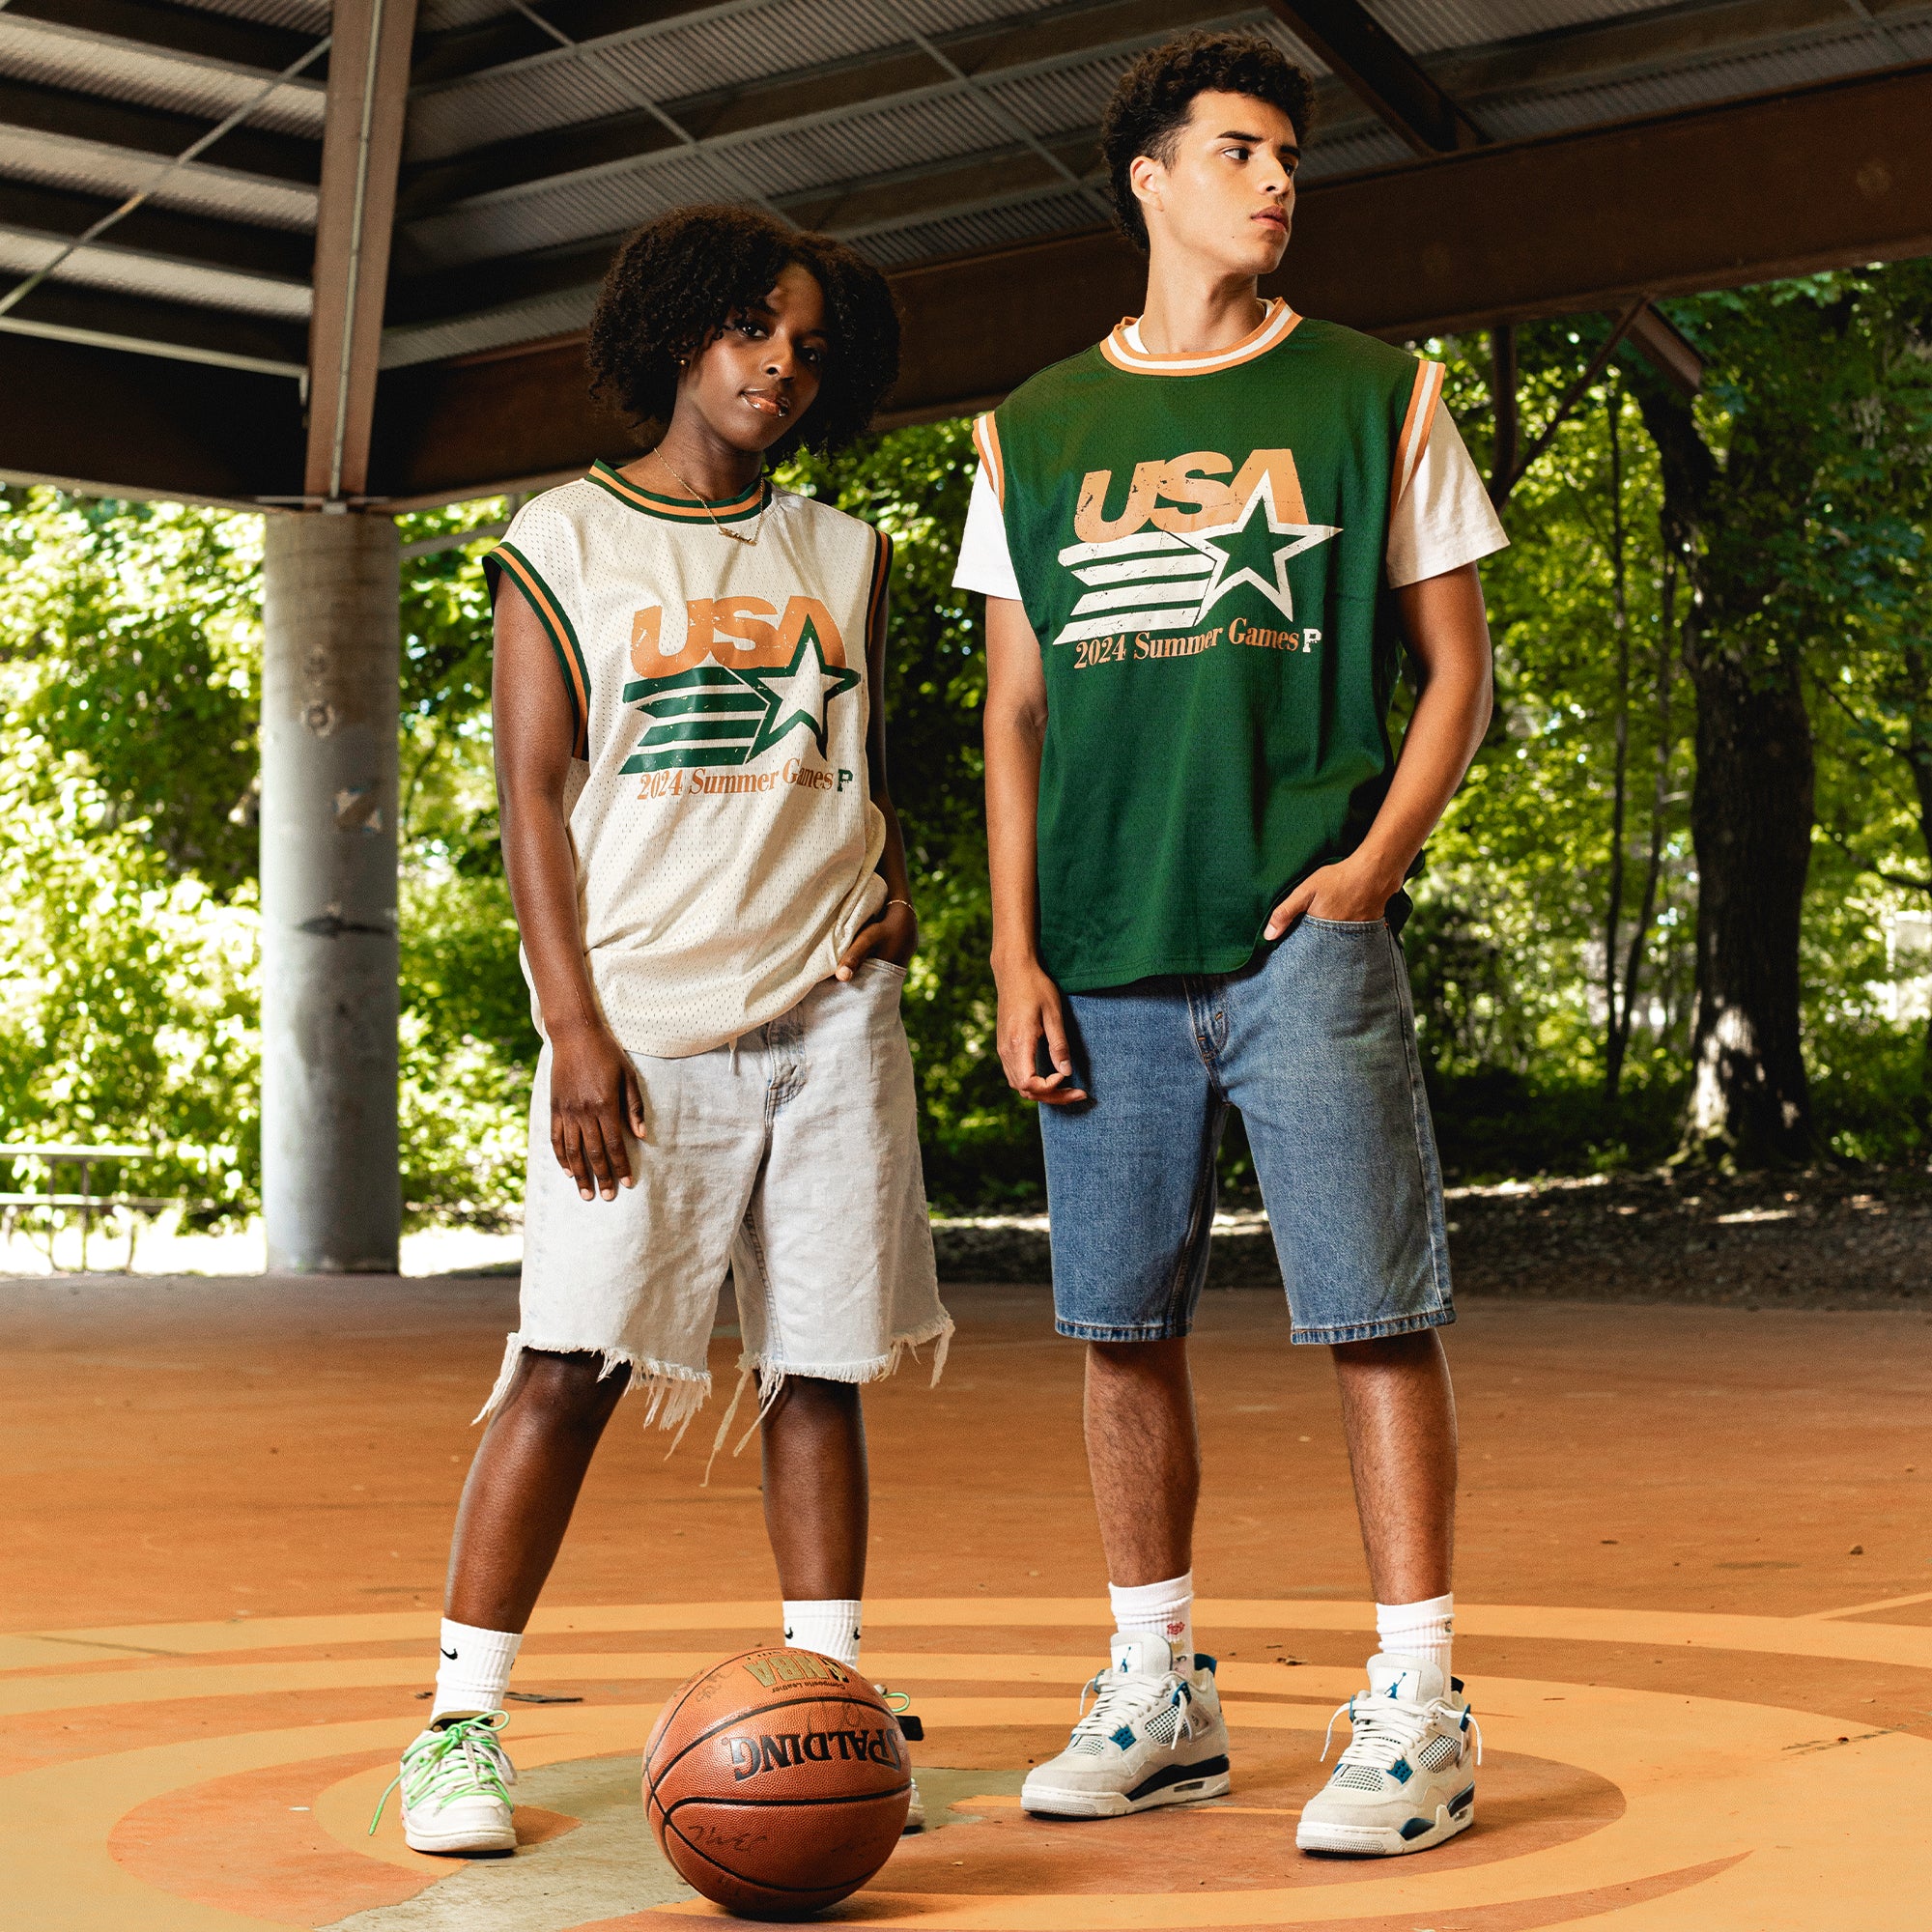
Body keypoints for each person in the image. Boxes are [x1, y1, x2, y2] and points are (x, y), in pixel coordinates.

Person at [954, 32, 1505, 1857]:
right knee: (1119, 1331)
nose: (1278, 182)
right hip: (1100, 945)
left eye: (1290, 156)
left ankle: (1418, 1708)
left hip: (1300, 936)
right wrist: (1015, 949)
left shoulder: (1373, 393)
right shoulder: (1030, 430)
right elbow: (1013, 715)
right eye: (1242, 150)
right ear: (1152, 177)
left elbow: (1458, 673)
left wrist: (1372, 865)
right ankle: (1159, 1690)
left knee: (1372, 1318)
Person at [378, 205, 951, 1857]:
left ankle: (833, 1696)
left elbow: (865, 766)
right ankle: (458, 1725)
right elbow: (532, 799)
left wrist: (898, 879)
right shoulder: (563, 539)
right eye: (756, 329)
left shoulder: (844, 553)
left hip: (834, 1017)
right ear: (683, 329)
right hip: (647, 1021)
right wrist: (573, 1029)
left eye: (810, 348)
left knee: (819, 1367)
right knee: (564, 1363)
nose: (782, 364)